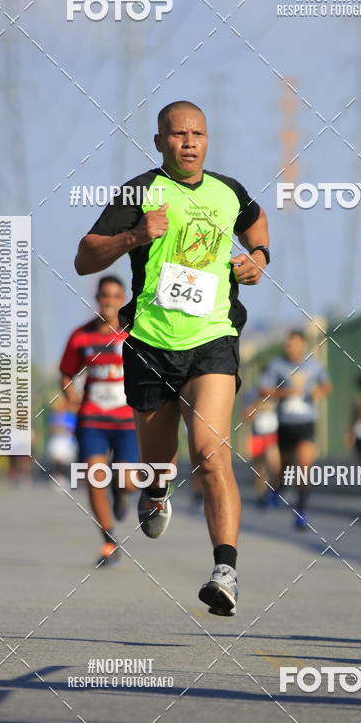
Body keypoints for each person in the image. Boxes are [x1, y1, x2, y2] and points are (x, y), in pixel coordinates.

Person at [74, 100, 269, 615]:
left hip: (214, 338)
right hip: (152, 344)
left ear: (208, 140)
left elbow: (256, 220)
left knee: (210, 451)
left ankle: (224, 571)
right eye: (177, 135)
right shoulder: (139, 192)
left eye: (198, 134)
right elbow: (84, 256)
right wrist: (136, 235)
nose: (188, 143)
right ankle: (156, 486)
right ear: (159, 141)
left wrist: (259, 257)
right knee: (156, 460)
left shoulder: (229, 191)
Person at [59, 275, 139, 566]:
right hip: (92, 418)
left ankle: (122, 491)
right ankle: (109, 542)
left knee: (128, 481)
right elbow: (67, 373)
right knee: (94, 478)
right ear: (97, 298)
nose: (109, 301)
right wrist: (70, 394)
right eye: (104, 296)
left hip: (127, 419)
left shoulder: (134, 334)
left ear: (122, 300)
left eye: (115, 296)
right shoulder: (81, 336)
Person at [259, 330, 331, 528]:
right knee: (284, 467)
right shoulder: (277, 366)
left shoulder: (314, 365)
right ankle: (278, 488)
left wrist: (319, 391)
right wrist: (285, 392)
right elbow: (264, 389)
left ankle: (301, 509)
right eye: (287, 344)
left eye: (293, 344)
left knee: (304, 466)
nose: (289, 348)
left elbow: (327, 385)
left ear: (302, 345)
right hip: (285, 423)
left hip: (306, 423)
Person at [242, 380, 280, 506]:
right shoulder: (251, 394)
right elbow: (246, 417)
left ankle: (274, 490)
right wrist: (258, 405)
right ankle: (262, 495)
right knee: (259, 468)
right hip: (257, 435)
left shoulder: (277, 393)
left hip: (272, 435)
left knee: (274, 464)